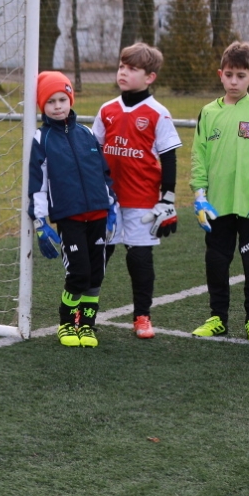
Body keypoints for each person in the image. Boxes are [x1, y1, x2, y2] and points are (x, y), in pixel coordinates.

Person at [189, 41, 249, 344]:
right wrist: (199, 195)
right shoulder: (207, 113)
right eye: (229, 74)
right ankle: (217, 318)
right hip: (217, 204)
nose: (234, 81)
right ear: (220, 74)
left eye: (241, 75)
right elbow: (198, 157)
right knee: (216, 261)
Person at [92, 43, 183, 340]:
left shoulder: (158, 113)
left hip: (142, 201)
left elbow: (169, 157)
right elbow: (93, 152)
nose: (123, 72)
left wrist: (167, 198)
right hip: (107, 202)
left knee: (140, 260)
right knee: (98, 257)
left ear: (149, 77)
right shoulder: (107, 110)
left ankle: (142, 315)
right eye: (121, 66)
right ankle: (84, 312)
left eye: (132, 69)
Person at [29, 71, 117, 348]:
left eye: (62, 99)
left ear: (70, 100)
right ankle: (67, 322)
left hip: (99, 215)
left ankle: (87, 326)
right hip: (70, 218)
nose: (58, 106)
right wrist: (40, 224)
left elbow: (103, 174)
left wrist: (111, 208)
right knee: (78, 273)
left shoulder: (87, 133)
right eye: (51, 101)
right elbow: (37, 184)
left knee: (96, 274)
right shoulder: (40, 138)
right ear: (42, 105)